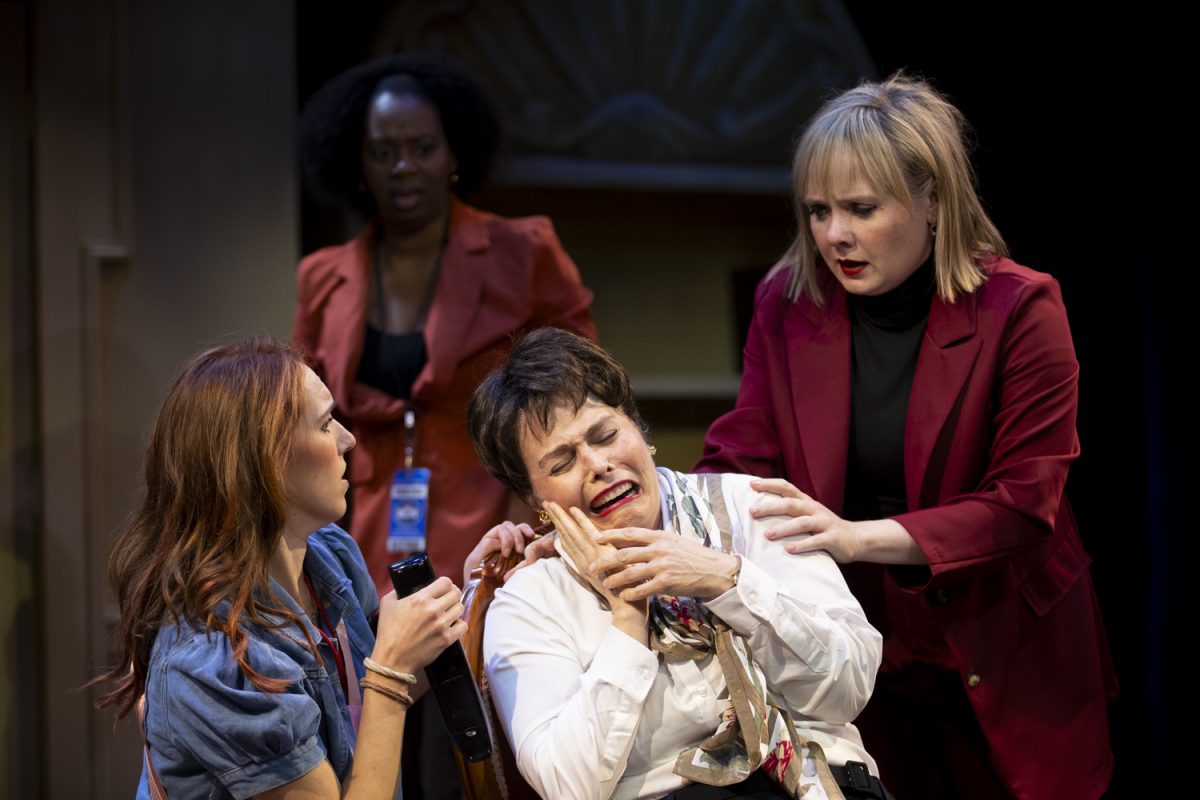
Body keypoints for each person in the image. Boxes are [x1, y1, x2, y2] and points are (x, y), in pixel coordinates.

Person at [696, 74, 1117, 800]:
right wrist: (637, 516)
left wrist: (857, 537)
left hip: (1004, 646)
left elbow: (1023, 503)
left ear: (933, 200)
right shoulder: (788, 300)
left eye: (861, 208)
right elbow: (740, 457)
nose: (834, 235)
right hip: (859, 650)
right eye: (819, 211)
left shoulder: (1021, 306)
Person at [466, 328, 885, 800]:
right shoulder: (530, 601)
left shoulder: (752, 508)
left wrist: (727, 580)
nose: (598, 464)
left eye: (605, 436)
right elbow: (568, 788)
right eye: (562, 463)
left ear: (640, 431)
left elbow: (848, 687)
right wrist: (627, 618)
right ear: (533, 498)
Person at [92, 339, 466, 799]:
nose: (348, 439)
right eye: (327, 423)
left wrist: (480, 590)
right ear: (263, 462)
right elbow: (386, 687)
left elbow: (367, 706)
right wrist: (391, 665)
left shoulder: (330, 556)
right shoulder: (213, 661)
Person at [293, 55, 596, 594]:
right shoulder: (322, 278)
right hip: (363, 536)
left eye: (422, 148)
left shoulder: (523, 252)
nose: (402, 166)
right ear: (357, 164)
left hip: (501, 525)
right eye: (383, 153)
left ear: (454, 152)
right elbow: (299, 414)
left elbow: (577, 393)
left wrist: (535, 523)